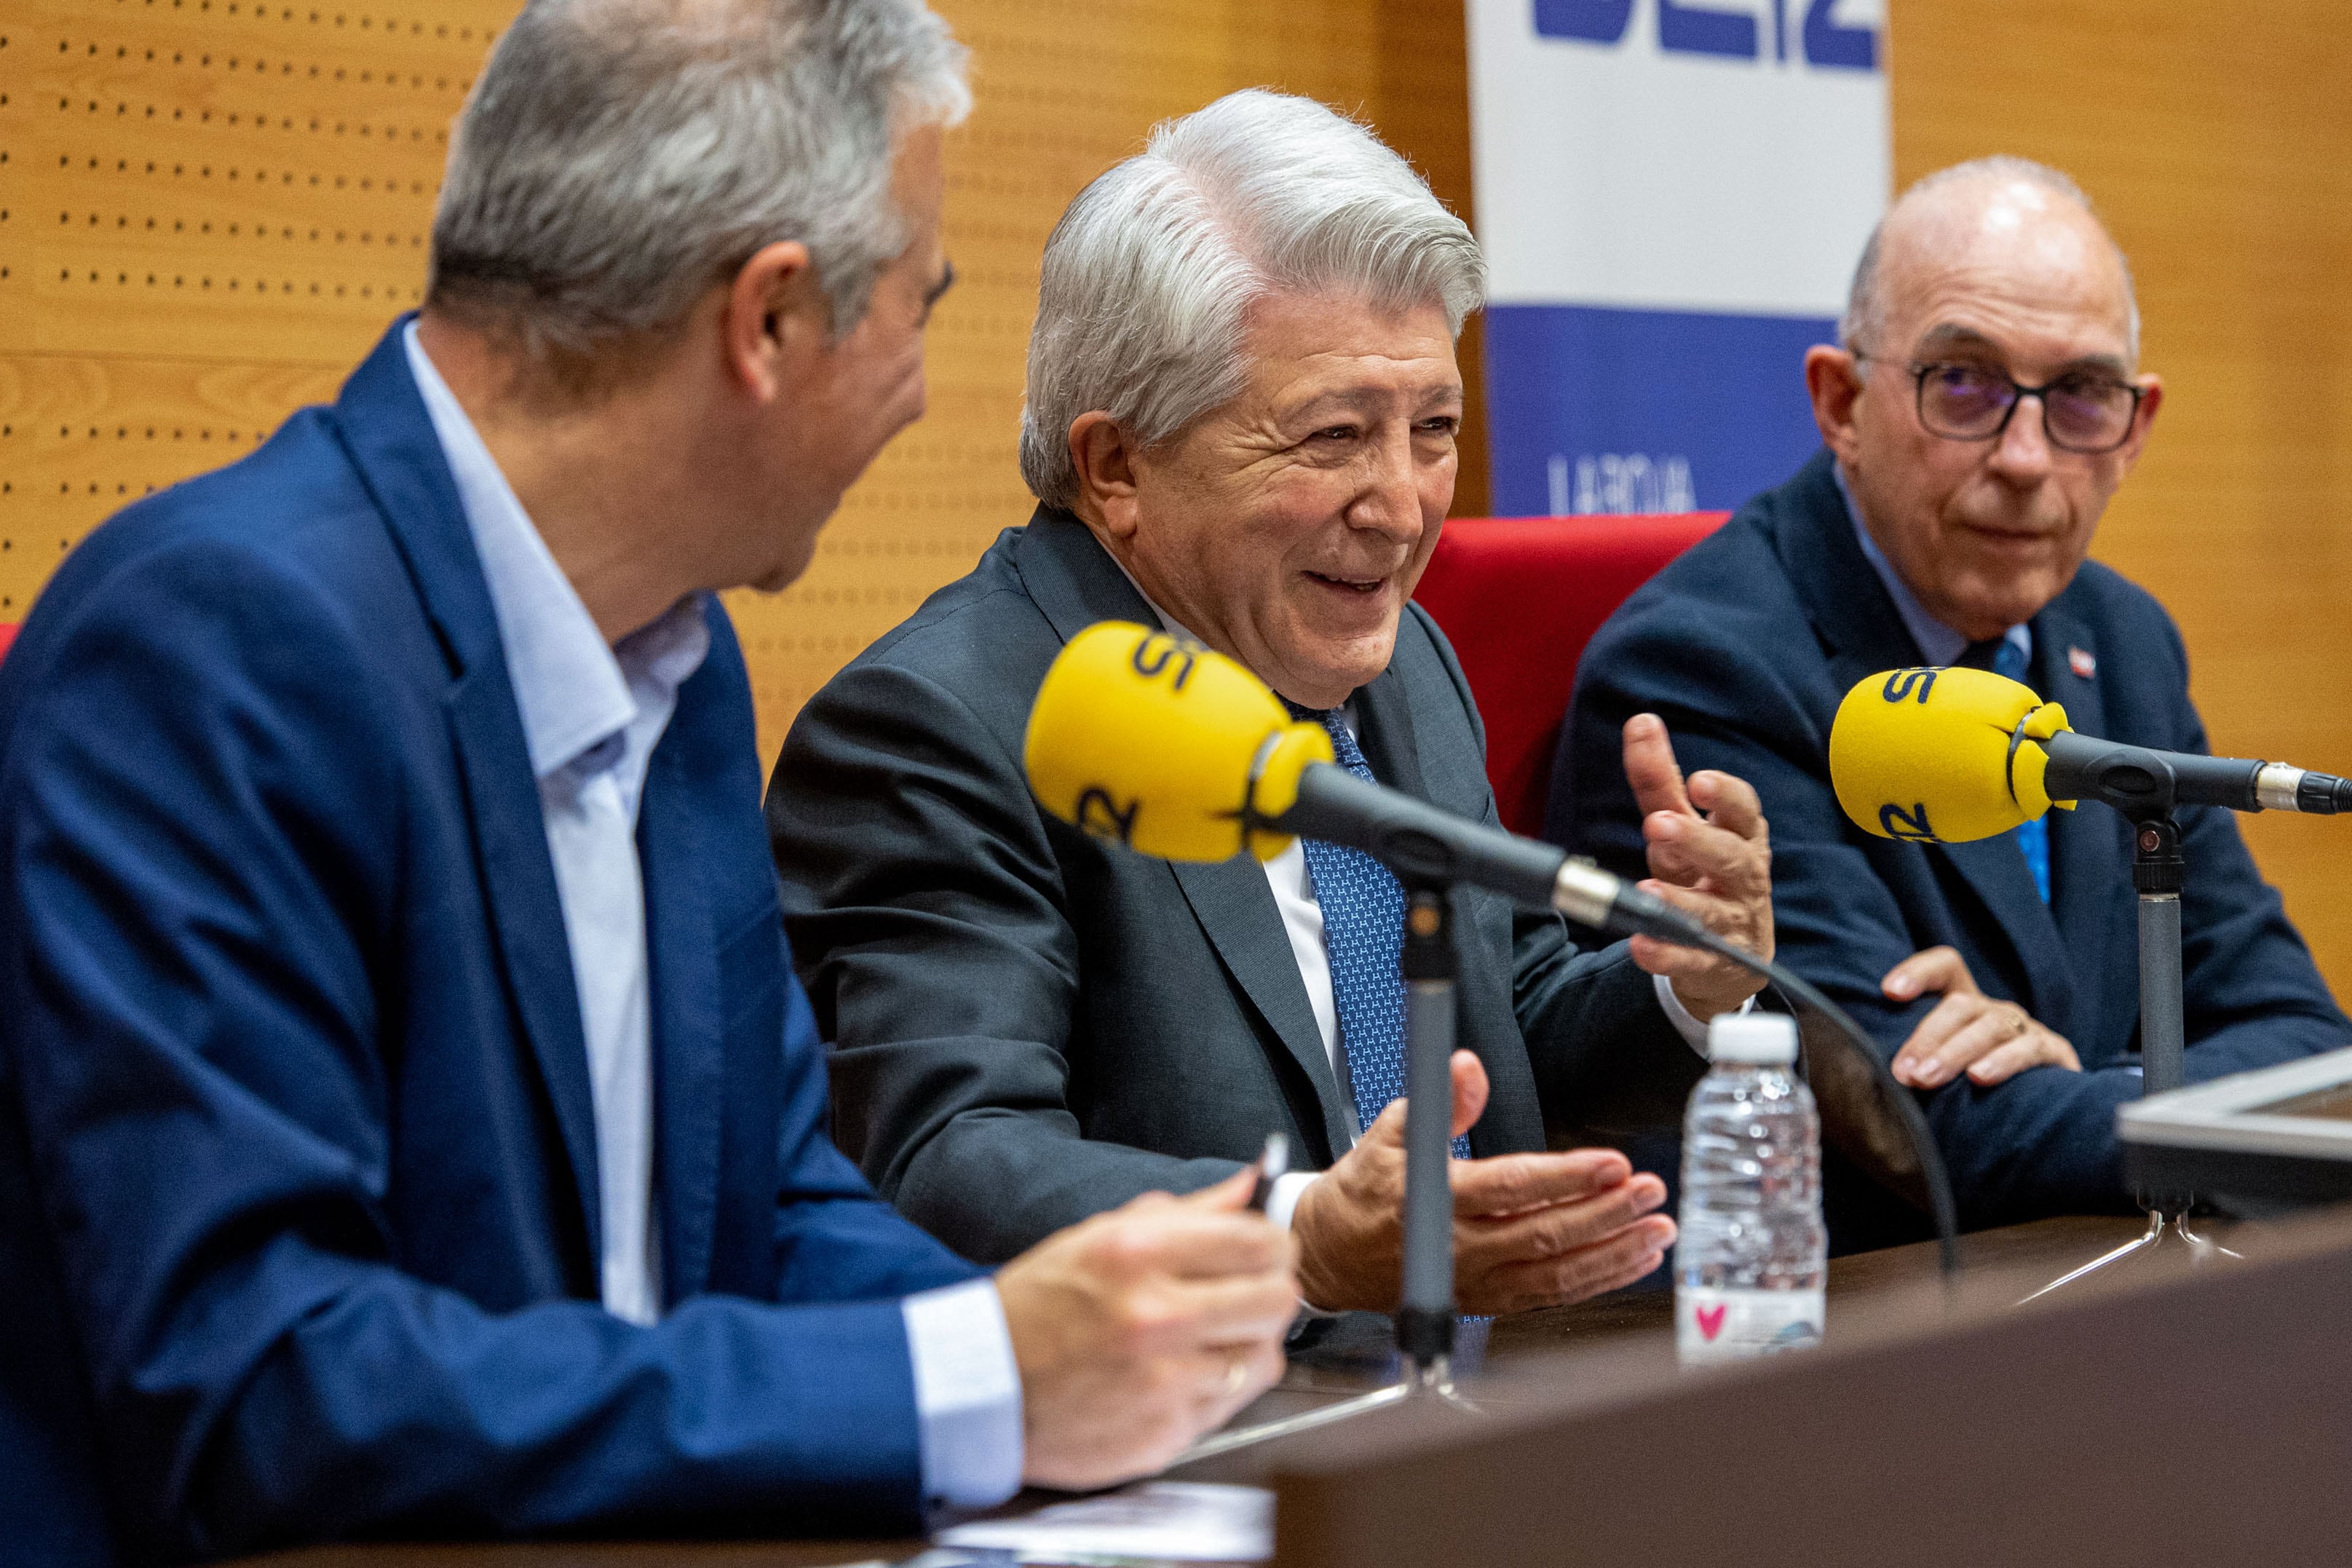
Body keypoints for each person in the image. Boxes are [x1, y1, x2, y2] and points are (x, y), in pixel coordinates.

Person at [0, 2, 1301, 1560]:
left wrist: (1097, 1360)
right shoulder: (216, 644)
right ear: (765, 321)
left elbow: (762, 1207)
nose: (919, 387)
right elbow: (264, 1382)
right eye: (914, 303)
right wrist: (973, 1377)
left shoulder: (670, 648)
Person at [767, 90, 1776, 1320]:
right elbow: (941, 1163)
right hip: (1189, 1454)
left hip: (1475, 1423)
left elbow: (1503, 1031)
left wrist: (1684, 979)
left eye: (1433, 429)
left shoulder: (1399, 663)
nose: (1402, 505)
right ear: (1116, 464)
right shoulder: (939, 727)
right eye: (1333, 435)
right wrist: (1298, 1239)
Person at [1553, 157, 2351, 1240]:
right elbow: (1931, 1125)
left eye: (2080, 396)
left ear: (2136, 424)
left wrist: (2090, 1079)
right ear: (1841, 400)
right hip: (1848, 1339)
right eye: (1965, 384)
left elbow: (2302, 1037)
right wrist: (2150, 1089)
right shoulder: (1703, 668)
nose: (2027, 458)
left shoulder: (2123, 639)